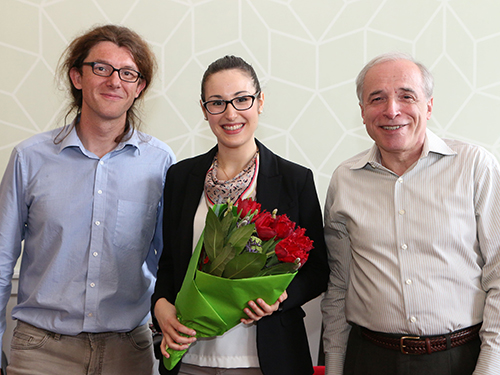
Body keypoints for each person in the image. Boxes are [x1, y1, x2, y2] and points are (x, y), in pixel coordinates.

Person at [0, 24, 176, 375]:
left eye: (128, 73)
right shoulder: (29, 158)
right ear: (77, 77)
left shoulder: (160, 162)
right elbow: (2, 261)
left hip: (130, 351)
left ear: (139, 88)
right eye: (101, 68)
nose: (114, 81)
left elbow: (167, 261)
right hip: (41, 352)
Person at [321, 51, 500, 375]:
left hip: (459, 359)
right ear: (362, 112)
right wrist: (333, 367)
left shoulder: (475, 166)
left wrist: (489, 367)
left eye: (406, 96)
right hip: (370, 359)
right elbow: (339, 285)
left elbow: (499, 273)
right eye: (377, 98)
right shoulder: (345, 180)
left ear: (428, 105)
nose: (392, 110)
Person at [152, 55, 329, 375]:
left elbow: (317, 269)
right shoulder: (181, 177)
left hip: (268, 360)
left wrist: (282, 297)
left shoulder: (294, 179)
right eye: (217, 103)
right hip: (191, 358)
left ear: (260, 102)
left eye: (242, 100)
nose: (231, 113)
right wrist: (160, 305)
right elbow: (168, 264)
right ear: (204, 110)